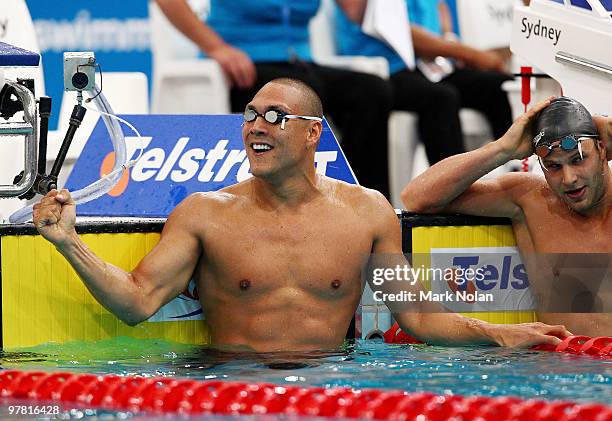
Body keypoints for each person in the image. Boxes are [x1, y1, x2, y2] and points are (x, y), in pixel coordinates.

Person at [33, 78, 569, 352]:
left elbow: (419, 318)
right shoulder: (205, 215)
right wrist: (68, 242)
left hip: (331, 383)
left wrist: (496, 334)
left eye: (274, 116)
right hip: (230, 385)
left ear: (313, 132)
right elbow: (136, 302)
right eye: (250, 115)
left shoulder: (367, 213)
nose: (255, 126)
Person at [402, 97, 612, 336]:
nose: (569, 178)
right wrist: (503, 149)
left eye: (578, 159)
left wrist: (605, 124)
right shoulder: (531, 199)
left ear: (602, 150)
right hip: (562, 365)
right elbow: (416, 197)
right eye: (554, 166)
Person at [155, 0, 393, 198]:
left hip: (299, 59)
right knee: (305, 93)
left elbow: (355, 11)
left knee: (371, 92)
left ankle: (365, 201)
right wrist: (217, 48)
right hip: (245, 64)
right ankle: (298, 202)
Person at [335, 0, 513, 164]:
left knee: (500, 86)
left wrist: (449, 37)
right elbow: (402, 32)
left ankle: (517, 169)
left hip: (428, 63)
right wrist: (467, 53)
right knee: (441, 98)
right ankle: (451, 190)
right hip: (386, 66)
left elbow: (439, 8)